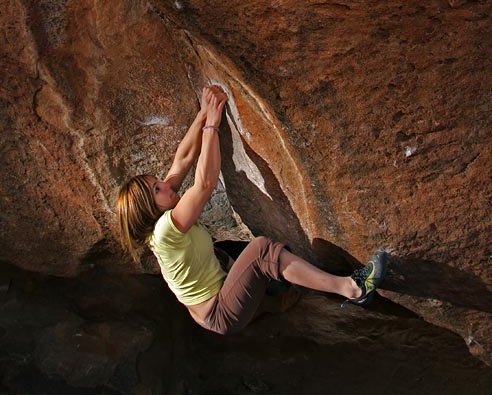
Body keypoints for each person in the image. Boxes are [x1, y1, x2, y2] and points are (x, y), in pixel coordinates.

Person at [116, 85, 387, 336]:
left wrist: (202, 113)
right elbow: (205, 183)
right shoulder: (164, 232)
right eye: (156, 189)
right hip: (220, 311)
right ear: (148, 209)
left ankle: (276, 289)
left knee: (232, 248)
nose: (165, 184)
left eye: (157, 182)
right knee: (261, 251)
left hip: (218, 276)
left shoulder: (163, 209)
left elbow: (182, 161)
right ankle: (352, 289)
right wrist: (212, 124)